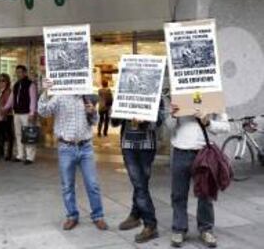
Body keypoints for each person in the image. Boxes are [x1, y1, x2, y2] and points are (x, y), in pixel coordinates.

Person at [38, 79, 108, 231]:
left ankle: (98, 216)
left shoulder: (87, 97)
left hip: (86, 148)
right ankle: (72, 216)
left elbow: (94, 121)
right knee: (67, 186)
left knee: (92, 184)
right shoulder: (60, 97)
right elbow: (43, 111)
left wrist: (92, 112)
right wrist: (45, 92)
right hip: (66, 148)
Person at [166, 104, 230, 248]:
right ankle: (179, 228)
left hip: (203, 153)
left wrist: (208, 122)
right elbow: (168, 127)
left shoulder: (213, 96)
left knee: (205, 194)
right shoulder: (179, 96)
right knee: (178, 194)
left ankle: (206, 229)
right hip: (180, 151)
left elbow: (226, 126)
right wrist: (172, 116)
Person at [111, 100, 164, 243]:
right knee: (139, 185)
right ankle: (149, 223)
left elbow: (160, 120)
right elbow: (114, 122)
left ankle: (136, 216)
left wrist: (146, 120)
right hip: (128, 145)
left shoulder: (155, 91)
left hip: (147, 146)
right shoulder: (123, 92)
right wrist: (119, 112)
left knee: (141, 185)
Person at [2, 65, 37, 165]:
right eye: (17, 72)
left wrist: (32, 113)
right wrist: (5, 108)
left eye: (20, 72)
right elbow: (11, 99)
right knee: (18, 135)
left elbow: (33, 100)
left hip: (26, 114)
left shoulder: (31, 84)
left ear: (25, 73)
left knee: (28, 135)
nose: (18, 74)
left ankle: (30, 157)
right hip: (17, 114)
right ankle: (20, 155)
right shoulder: (16, 85)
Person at [0, 73, 14, 161]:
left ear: (7, 82)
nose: (1, 82)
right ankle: (1, 152)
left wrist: (3, 115)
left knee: (8, 135)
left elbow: (8, 105)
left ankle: (8, 154)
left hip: (6, 116)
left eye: (3, 80)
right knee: (0, 135)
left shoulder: (8, 92)